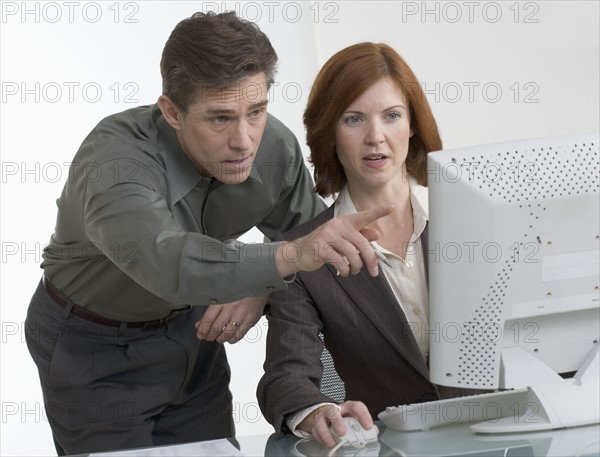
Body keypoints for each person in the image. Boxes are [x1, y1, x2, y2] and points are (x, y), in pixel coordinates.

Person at [24, 14, 392, 455]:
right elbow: (166, 261)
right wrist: (283, 260)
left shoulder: (273, 147)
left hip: (192, 335)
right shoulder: (114, 160)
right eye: (220, 119)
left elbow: (314, 254)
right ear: (172, 112)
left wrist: (263, 288)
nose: (244, 141)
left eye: (256, 111)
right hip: (92, 343)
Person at [257, 42, 477, 448]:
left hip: (499, 441)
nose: (376, 137)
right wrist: (317, 413)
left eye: (392, 116)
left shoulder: (475, 221)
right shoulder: (304, 253)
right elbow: (285, 379)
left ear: (412, 125)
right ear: (330, 134)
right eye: (354, 119)